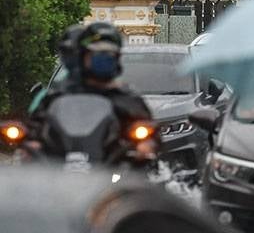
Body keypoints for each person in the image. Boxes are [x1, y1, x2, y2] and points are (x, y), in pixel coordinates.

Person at [28, 22, 158, 158]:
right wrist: (32, 144)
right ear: (83, 56)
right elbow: (35, 127)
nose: (104, 58)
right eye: (97, 52)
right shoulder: (57, 97)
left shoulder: (128, 99)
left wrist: (144, 146)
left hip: (112, 171)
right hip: (59, 169)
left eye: (109, 53)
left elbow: (149, 134)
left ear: (117, 58)